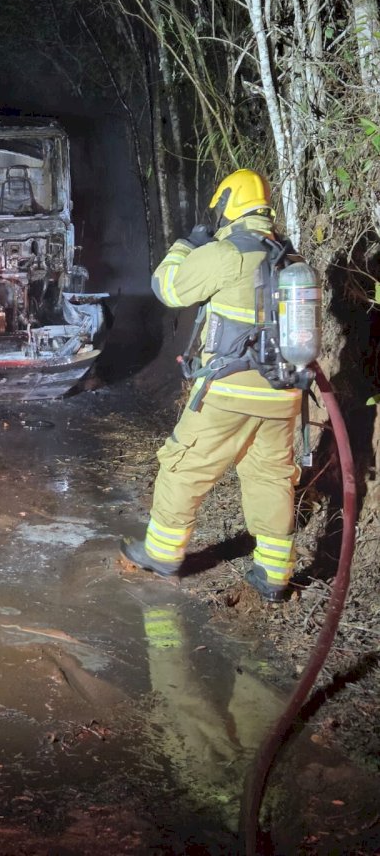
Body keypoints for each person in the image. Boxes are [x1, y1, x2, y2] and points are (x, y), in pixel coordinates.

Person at [121, 169, 302, 601]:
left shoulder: (229, 252)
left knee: (183, 465)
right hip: (284, 393)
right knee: (271, 477)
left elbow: (168, 288)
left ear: (227, 206)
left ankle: (162, 553)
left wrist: (186, 246)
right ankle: (274, 575)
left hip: (230, 390)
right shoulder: (290, 258)